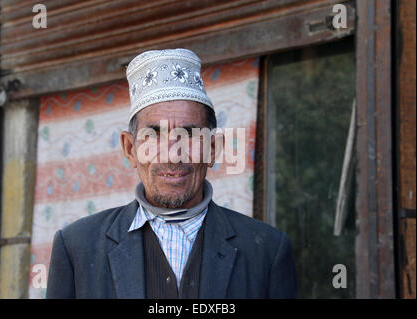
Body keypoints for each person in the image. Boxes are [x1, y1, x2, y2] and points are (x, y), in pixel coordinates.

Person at [46, 48, 296, 299]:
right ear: (130, 149)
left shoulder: (267, 251)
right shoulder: (77, 247)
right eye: (153, 135)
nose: (172, 155)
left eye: (189, 135)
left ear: (212, 148)